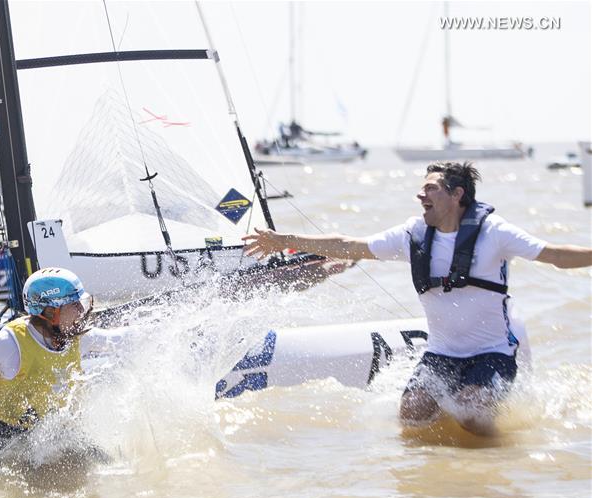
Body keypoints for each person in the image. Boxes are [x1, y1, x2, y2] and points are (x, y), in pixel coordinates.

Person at [243, 161, 592, 436]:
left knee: (472, 413)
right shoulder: (413, 234)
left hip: (493, 352)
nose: (420, 195)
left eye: (430, 188)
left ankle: (496, 464)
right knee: (412, 413)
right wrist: (283, 239)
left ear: (456, 195)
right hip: (442, 352)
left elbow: (556, 255)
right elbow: (350, 245)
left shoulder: (494, 232)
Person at [0, 268, 122, 457]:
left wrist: (155, 328)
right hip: (11, 439)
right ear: (51, 311)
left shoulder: (76, 336)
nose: (80, 310)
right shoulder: (9, 343)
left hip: (62, 434)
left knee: (107, 464)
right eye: (74, 304)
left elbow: (122, 338)